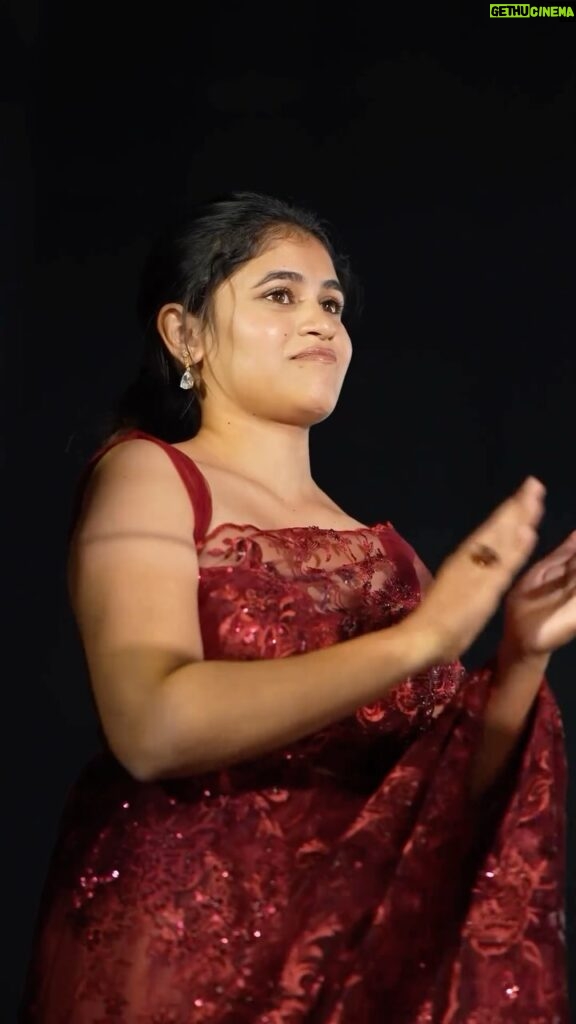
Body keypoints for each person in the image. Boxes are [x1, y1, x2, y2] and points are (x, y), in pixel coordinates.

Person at [20, 192, 574, 1023]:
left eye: (331, 304)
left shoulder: (387, 556)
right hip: (185, 954)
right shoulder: (151, 477)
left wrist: (525, 650)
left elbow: (436, 798)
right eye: (280, 295)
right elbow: (150, 725)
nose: (319, 321)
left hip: (344, 958)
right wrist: (420, 640)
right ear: (186, 333)